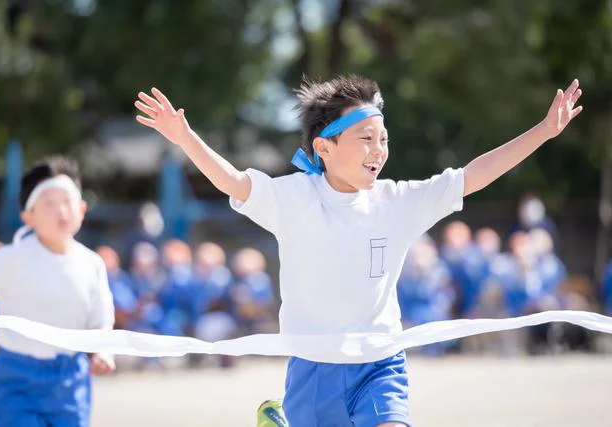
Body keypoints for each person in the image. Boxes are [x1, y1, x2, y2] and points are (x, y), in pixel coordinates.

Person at [135, 76, 582, 427]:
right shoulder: (294, 198)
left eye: (382, 138)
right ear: (323, 148)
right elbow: (233, 181)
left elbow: (472, 176)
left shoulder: (397, 201)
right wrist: (185, 137)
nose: (379, 150)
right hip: (314, 369)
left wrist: (543, 132)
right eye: (365, 139)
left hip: (380, 362)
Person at [0, 156, 116, 427]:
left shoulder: (92, 263)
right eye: (49, 203)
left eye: (67, 201)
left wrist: (102, 352)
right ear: (28, 216)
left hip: (70, 380)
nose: (61, 210)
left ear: (82, 209)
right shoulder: (11, 258)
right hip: (17, 379)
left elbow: (100, 319)